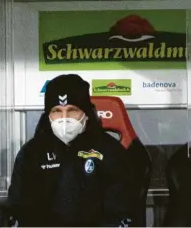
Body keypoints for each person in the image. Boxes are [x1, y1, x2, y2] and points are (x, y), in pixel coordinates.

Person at [7, 74, 137, 227]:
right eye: (56, 110)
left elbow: (121, 213)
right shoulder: (31, 154)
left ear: (86, 113)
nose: (64, 118)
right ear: (48, 115)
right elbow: (19, 211)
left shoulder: (111, 152)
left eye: (72, 110)